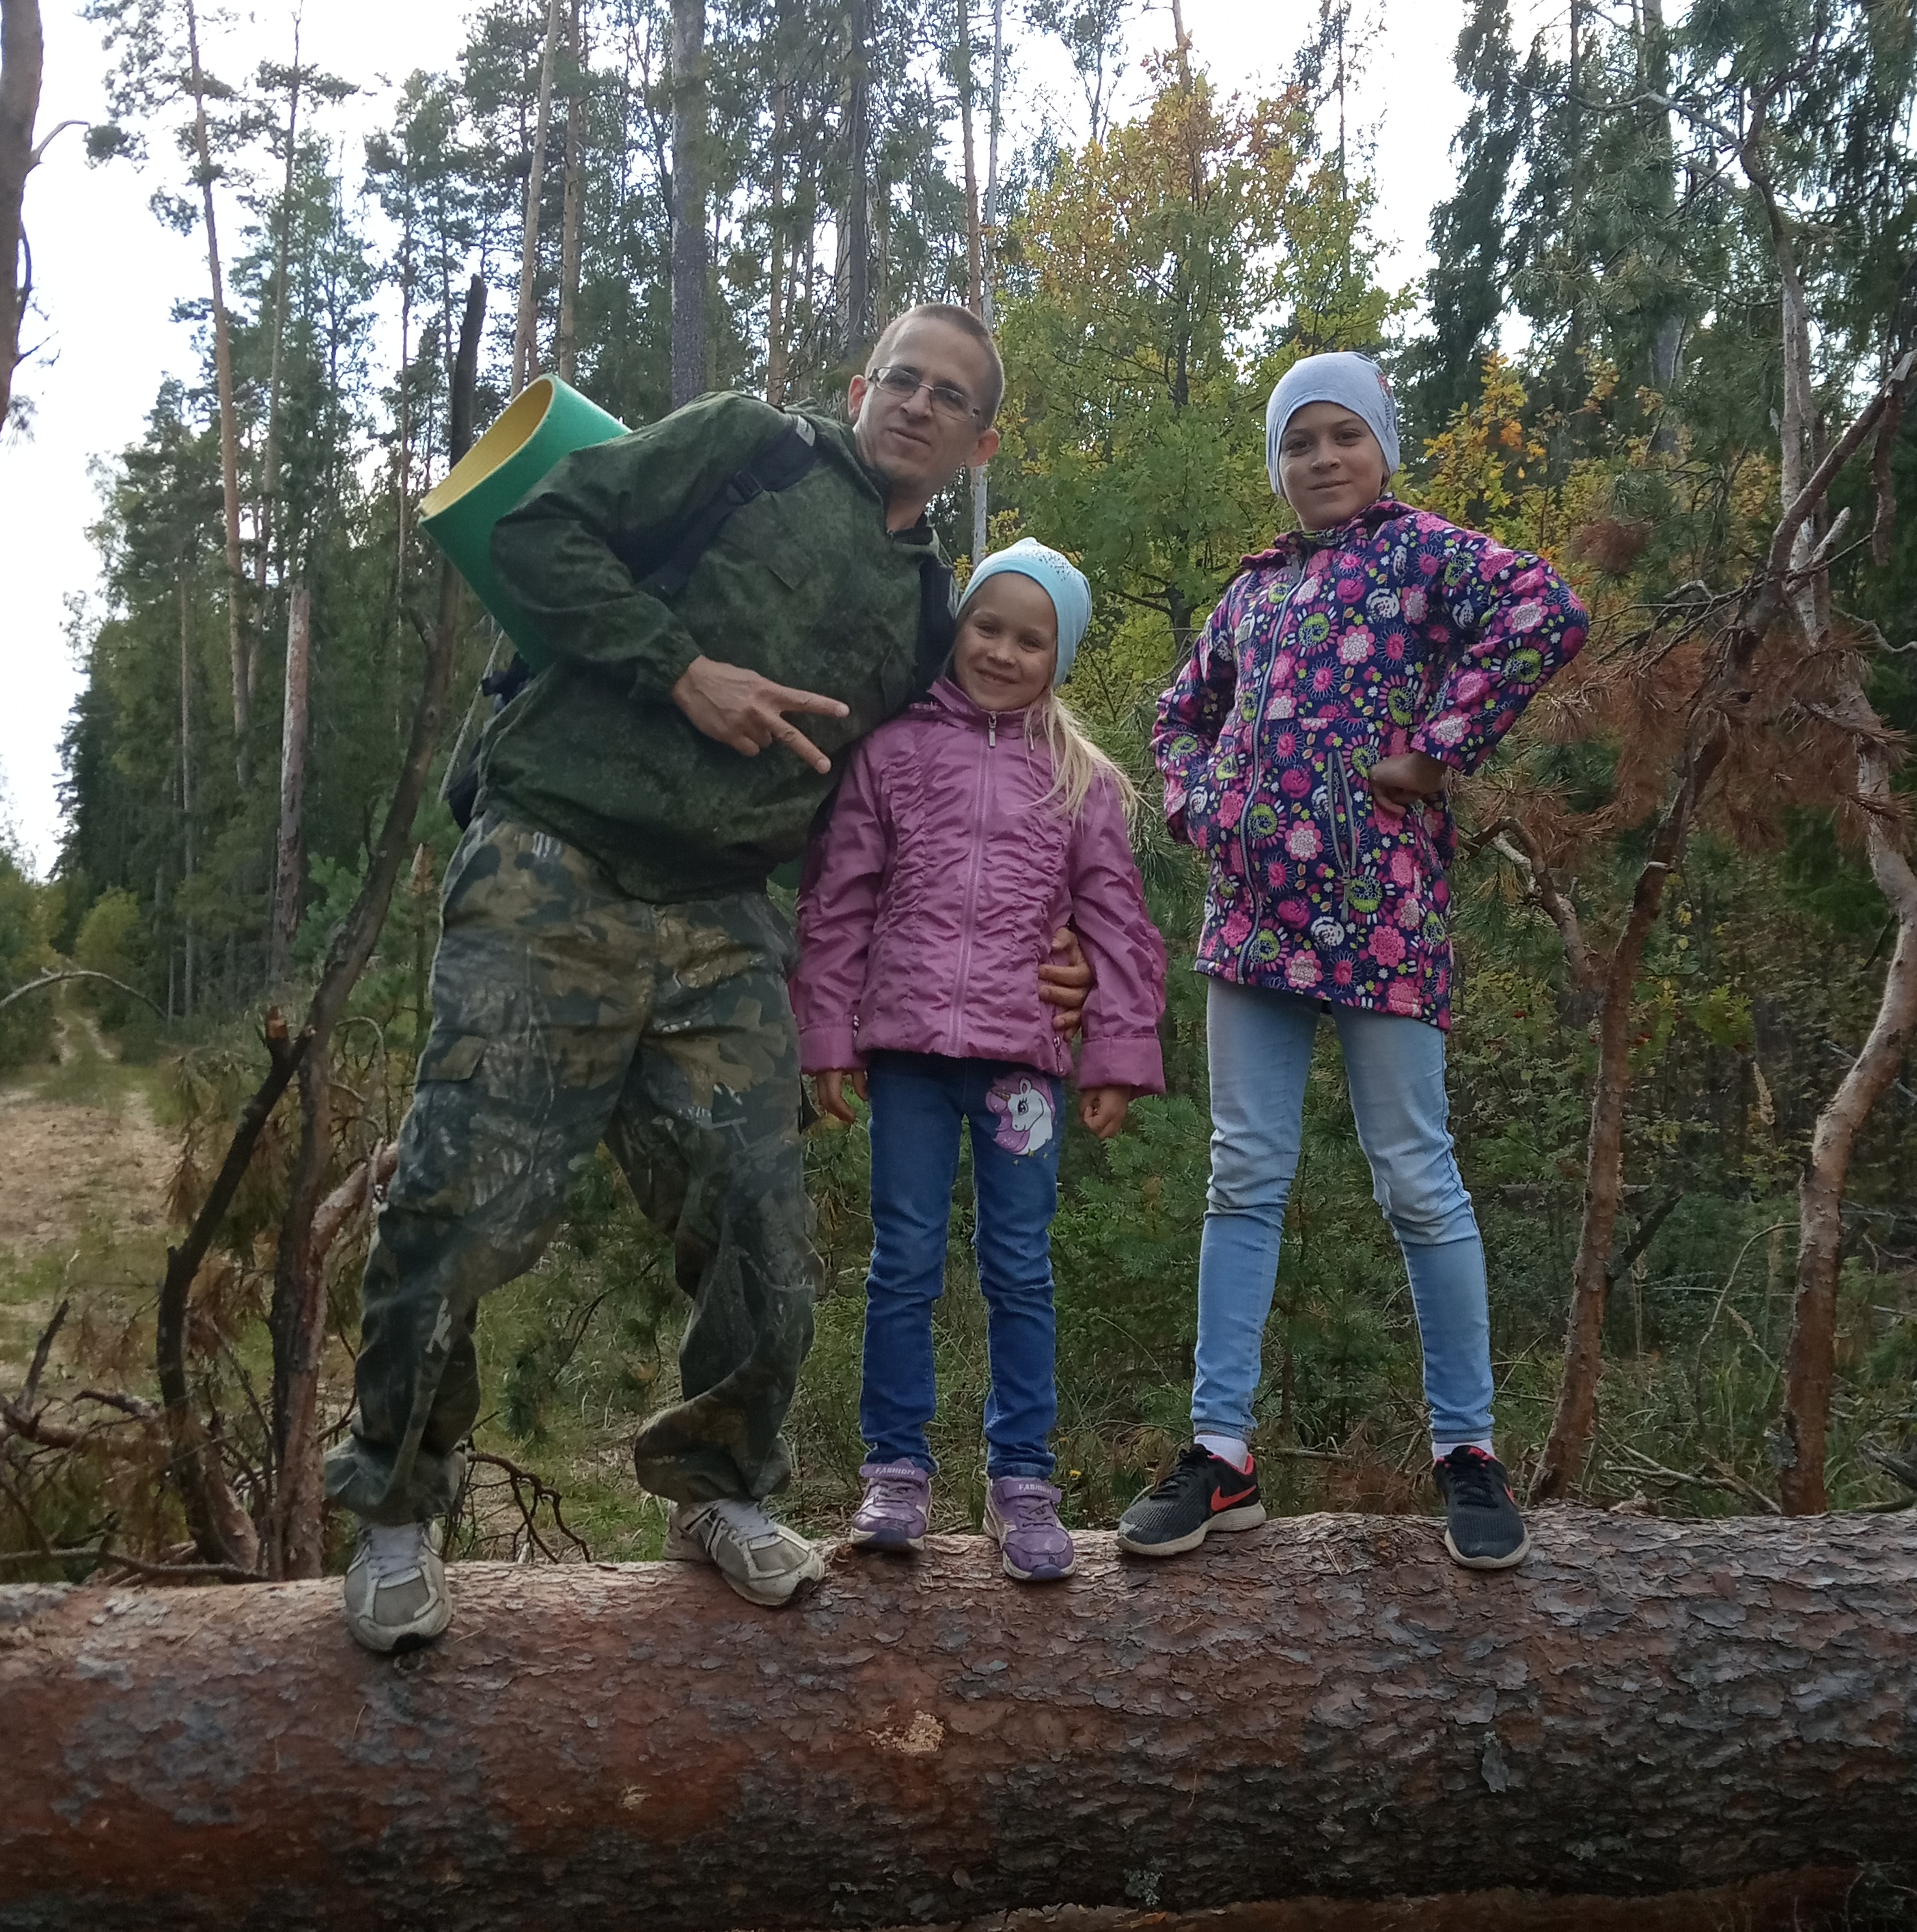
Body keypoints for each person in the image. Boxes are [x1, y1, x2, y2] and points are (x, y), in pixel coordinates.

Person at [327, 305, 1092, 1651]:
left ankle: (718, 1486)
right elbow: (534, 535)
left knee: (759, 1231)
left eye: (949, 396)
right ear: (859, 387)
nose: (917, 404)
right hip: (556, 853)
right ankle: (396, 1502)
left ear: (982, 441)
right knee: (462, 1199)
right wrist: (683, 672)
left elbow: (936, 797)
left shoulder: (932, 612)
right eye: (902, 378)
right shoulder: (749, 446)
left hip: (726, 915)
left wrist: (1047, 942)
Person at [1120, 353, 1588, 1572]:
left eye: (1344, 435)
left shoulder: (1423, 553)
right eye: (1299, 441)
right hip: (1250, 926)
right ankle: (1221, 1454)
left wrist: (1438, 748)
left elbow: (1547, 610)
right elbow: (1177, 716)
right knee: (1242, 1176)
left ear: (1383, 446)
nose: (1322, 458)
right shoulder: (1253, 591)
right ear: (1277, 464)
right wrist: (1200, 804)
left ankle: (1468, 1452)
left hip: (1385, 913)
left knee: (1418, 1180)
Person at [793, 540, 1167, 1582]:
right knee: (903, 1259)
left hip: (1020, 1068)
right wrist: (827, 1036)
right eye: (986, 627)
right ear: (958, 628)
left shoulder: (1081, 780)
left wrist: (1115, 1056)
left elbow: (1117, 922)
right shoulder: (893, 751)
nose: (1003, 651)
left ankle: (1023, 1482)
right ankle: (895, 1471)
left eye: (1030, 639)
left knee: (1018, 1266)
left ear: (1060, 656)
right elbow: (840, 899)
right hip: (907, 1055)